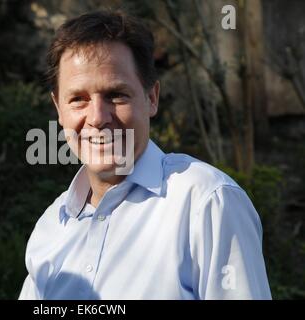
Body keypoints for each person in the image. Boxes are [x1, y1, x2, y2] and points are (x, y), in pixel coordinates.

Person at [19, 10, 271, 300]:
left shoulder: (205, 203)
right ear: (59, 110)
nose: (98, 117)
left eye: (116, 95)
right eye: (78, 99)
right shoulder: (52, 225)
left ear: (151, 98)